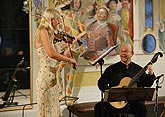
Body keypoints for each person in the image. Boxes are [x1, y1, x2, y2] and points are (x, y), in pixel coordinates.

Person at [34, 8, 77, 117]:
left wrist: (71, 45)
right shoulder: (42, 31)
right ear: (50, 19)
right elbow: (51, 54)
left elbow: (59, 57)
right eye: (57, 19)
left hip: (52, 79)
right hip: (44, 78)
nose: (59, 22)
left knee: (54, 113)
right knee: (46, 113)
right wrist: (70, 60)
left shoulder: (50, 34)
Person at [94, 43, 156, 117]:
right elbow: (101, 83)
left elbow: (148, 83)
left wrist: (151, 74)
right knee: (99, 107)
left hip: (131, 103)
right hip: (114, 101)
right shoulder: (111, 69)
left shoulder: (137, 69)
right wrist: (111, 90)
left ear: (132, 53)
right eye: (122, 51)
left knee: (141, 107)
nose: (123, 53)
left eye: (126, 51)